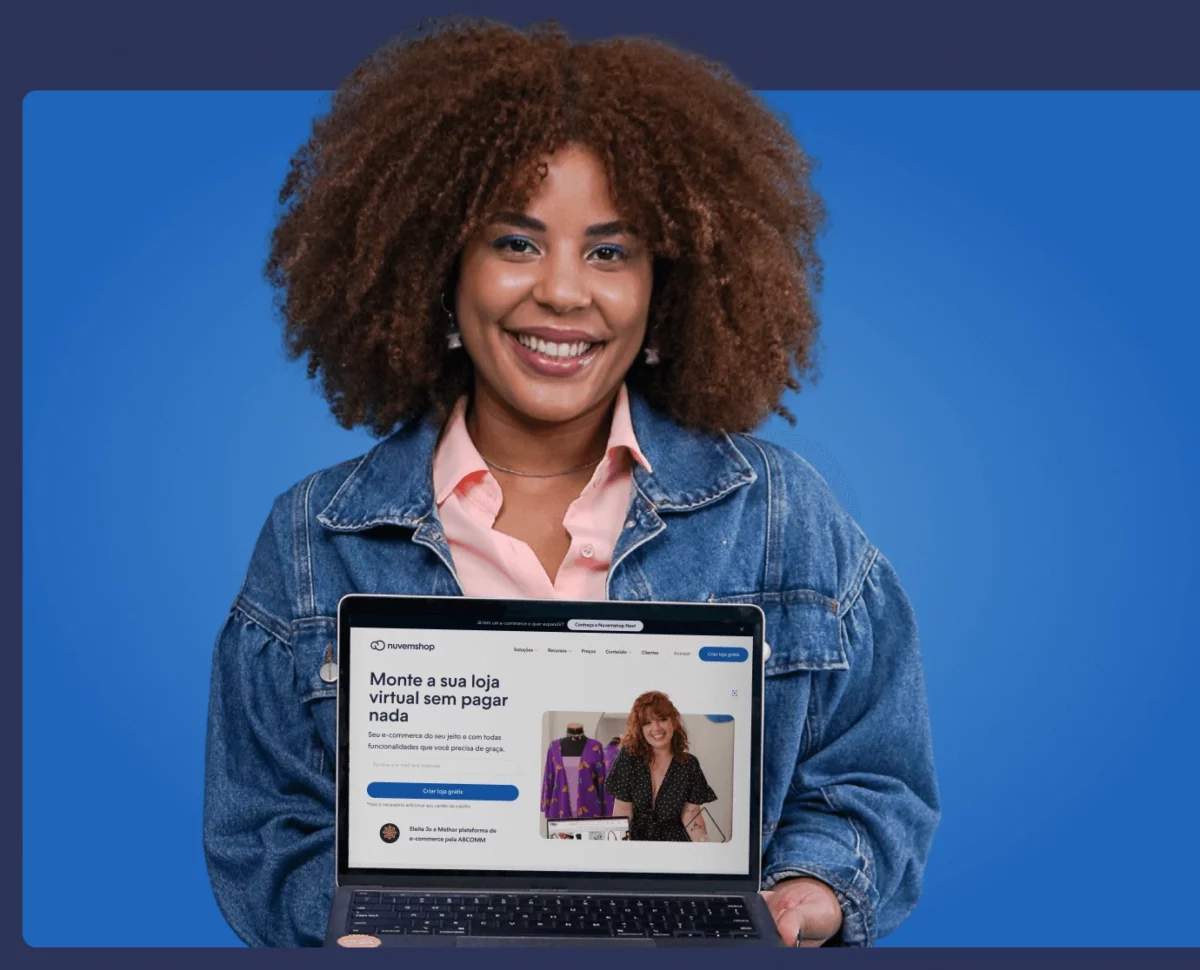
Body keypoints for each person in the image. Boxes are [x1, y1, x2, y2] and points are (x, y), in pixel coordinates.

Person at [203, 16, 939, 948]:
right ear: (440, 271)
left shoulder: (782, 514)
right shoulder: (314, 537)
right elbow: (265, 828)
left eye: (608, 250)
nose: (561, 291)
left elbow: (874, 777)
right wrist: (348, 922)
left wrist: (812, 887)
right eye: (515, 242)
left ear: (661, 286)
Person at [606, 692, 717, 843]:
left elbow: (691, 814)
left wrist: (704, 849)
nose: (656, 728)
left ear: (673, 722)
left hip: (676, 845)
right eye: (647, 723)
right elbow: (622, 811)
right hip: (636, 845)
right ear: (641, 728)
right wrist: (615, 853)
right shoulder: (628, 757)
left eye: (662, 719)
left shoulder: (689, 765)